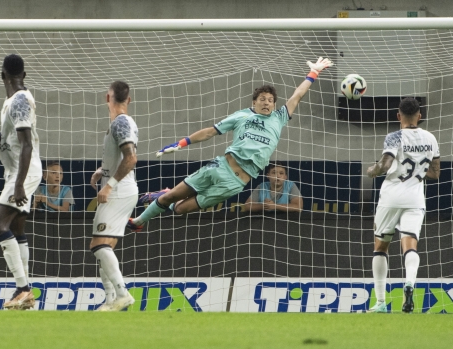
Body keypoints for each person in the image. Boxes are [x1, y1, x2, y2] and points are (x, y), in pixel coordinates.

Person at [127, 57, 333, 231]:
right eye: (262, 98)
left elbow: (297, 96)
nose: (266, 102)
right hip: (220, 166)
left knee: (180, 209)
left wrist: (313, 73)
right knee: (170, 197)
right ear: (254, 102)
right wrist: (182, 143)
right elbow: (210, 131)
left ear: (274, 104)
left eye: (270, 100)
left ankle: (159, 199)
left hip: (235, 183)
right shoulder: (241, 115)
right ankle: (138, 222)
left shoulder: (279, 118)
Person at [0, 54, 42, 310]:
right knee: (16, 229)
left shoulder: (19, 101)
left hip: (22, 172)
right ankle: (24, 291)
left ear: (2, 75)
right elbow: (9, 134)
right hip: (19, 171)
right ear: (23, 75)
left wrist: (19, 184)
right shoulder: (14, 102)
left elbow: (26, 145)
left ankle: (23, 288)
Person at [366, 97, 440, 313]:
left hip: (391, 197)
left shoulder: (394, 136)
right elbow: (435, 173)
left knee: (380, 246)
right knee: (410, 245)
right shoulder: (431, 138)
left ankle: (380, 302)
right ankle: (409, 284)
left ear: (398, 116)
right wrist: (417, 171)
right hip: (415, 198)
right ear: (420, 115)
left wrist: (373, 170)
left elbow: (386, 164)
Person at [89, 81, 138, 311]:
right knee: (105, 246)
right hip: (121, 188)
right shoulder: (119, 123)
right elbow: (121, 157)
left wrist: (109, 186)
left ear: (107, 98)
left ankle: (122, 294)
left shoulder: (120, 123)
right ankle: (110, 301)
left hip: (119, 191)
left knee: (99, 245)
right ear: (128, 99)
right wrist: (104, 170)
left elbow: (131, 159)